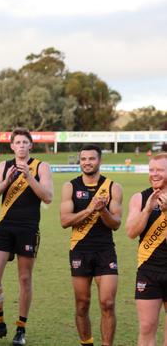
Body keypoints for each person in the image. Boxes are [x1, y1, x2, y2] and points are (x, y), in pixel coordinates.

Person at [0, 128, 53, 345]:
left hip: (29, 228)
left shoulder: (41, 166)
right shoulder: (4, 166)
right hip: (5, 226)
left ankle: (20, 328)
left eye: (25, 142)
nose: (21, 146)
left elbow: (48, 197)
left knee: (24, 278)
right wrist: (7, 180)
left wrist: (29, 176)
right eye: (17, 142)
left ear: (31, 145)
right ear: (12, 146)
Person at [59, 144, 123, 346]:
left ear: (100, 161)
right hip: (80, 250)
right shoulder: (70, 186)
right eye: (83, 159)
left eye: (91, 158)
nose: (87, 162)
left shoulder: (114, 187)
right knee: (82, 304)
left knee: (108, 303)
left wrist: (103, 210)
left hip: (105, 250)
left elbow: (116, 224)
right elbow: (64, 221)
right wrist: (90, 210)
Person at [125, 152, 167, 346]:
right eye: (151, 170)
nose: (154, 174)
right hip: (148, 271)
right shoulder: (140, 198)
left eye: (160, 170)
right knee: (147, 327)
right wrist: (147, 210)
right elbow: (131, 232)